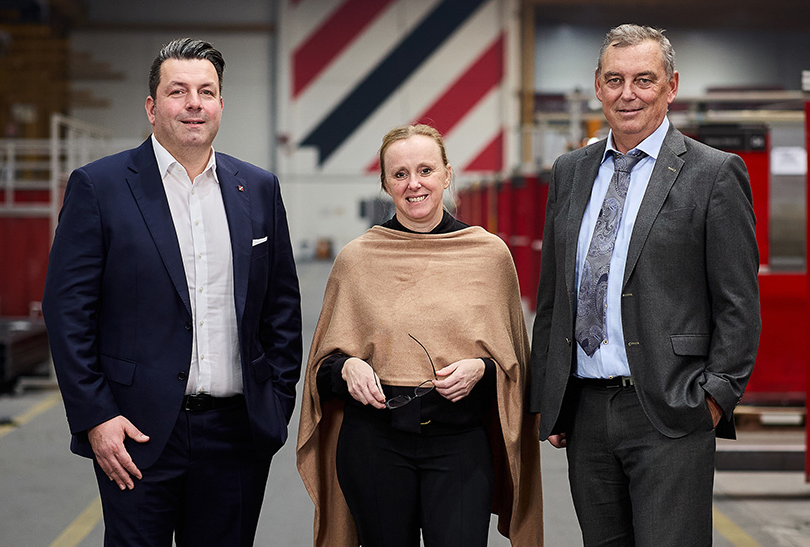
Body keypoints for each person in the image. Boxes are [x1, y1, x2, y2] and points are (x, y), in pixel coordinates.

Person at [42, 38, 302, 546]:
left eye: (207, 91)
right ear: (152, 106)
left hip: (236, 436)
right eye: (178, 91)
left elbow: (282, 308)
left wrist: (275, 403)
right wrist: (96, 416)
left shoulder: (259, 188)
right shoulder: (101, 186)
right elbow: (67, 310)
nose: (193, 103)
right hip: (134, 435)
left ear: (221, 104)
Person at [530, 24, 761, 546]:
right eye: (614, 79)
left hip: (670, 410)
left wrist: (714, 398)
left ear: (671, 86)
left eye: (643, 79)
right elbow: (554, 294)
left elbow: (738, 305)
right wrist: (550, 394)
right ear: (597, 84)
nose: (627, 93)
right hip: (586, 412)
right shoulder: (570, 171)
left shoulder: (713, 173)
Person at [297, 124, 542, 547]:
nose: (414, 184)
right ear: (385, 184)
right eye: (400, 174)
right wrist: (348, 368)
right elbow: (322, 371)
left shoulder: (488, 255)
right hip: (375, 444)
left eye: (426, 170)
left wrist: (481, 370)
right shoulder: (358, 259)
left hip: (460, 446)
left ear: (447, 175)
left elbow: (515, 365)